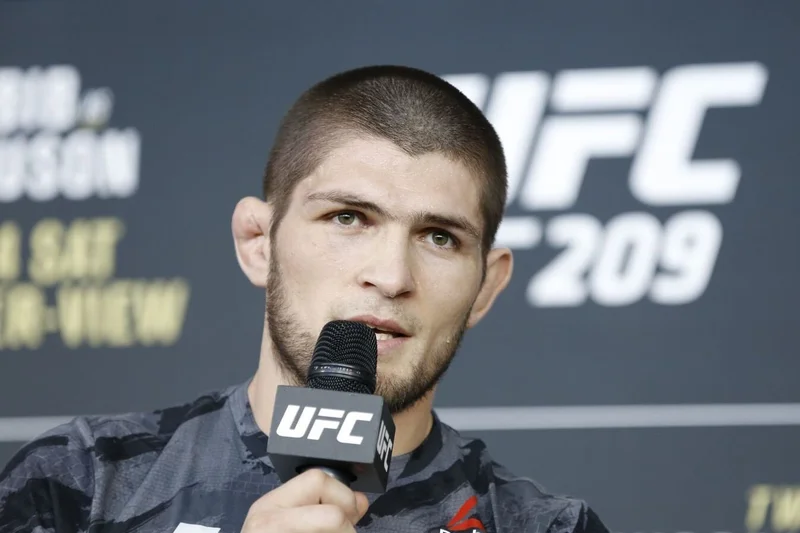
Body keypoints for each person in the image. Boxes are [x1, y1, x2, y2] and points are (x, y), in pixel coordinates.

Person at [0, 65, 610, 533]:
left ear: (486, 286)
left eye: (439, 237)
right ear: (258, 243)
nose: (391, 276)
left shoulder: (545, 527)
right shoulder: (77, 484)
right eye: (348, 218)